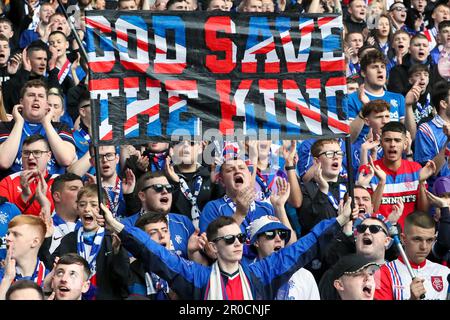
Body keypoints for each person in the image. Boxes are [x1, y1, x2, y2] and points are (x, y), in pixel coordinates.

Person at [100, 194, 353, 300]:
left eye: (240, 238)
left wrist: (339, 221)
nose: (237, 244)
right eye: (229, 239)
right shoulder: (196, 277)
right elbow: (152, 252)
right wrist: (119, 227)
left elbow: (301, 249)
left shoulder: (261, 275)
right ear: (212, 246)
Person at [39, 184, 130, 300]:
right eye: (82, 204)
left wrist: (118, 252)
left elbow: (123, 279)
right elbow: (50, 268)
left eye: (93, 205)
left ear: (104, 209)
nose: (87, 209)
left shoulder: (112, 238)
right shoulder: (69, 239)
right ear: (77, 208)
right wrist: (46, 239)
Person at [359, 121, 435, 228]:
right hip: (379, 234)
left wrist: (422, 182)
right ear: (381, 143)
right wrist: (381, 183)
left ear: (405, 144)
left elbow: (423, 211)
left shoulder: (416, 169)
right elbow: (370, 211)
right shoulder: (368, 170)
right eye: (387, 140)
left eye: (397, 140)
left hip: (408, 236)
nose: (392, 145)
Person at [0, 79, 76, 176]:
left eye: (41, 96)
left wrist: (47, 123)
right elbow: (4, 162)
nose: (36, 99)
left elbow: (66, 160)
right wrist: (19, 122)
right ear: (21, 102)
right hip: (14, 188)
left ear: (46, 104)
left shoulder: (61, 127)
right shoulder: (5, 127)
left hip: (51, 189)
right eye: (31, 95)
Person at [375, 211, 450, 300]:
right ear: (403, 239)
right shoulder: (384, 272)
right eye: (417, 239)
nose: (424, 247)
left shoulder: (444, 272)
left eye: (429, 240)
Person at [122, 171, 195, 258]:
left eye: (169, 188)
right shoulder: (126, 226)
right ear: (142, 196)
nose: (165, 191)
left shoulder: (184, 222)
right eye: (158, 188)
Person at [247, 215, 320, 300]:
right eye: (270, 234)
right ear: (256, 242)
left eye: (282, 234)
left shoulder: (304, 275)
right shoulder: (247, 276)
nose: (278, 239)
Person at [348, 50, 405, 144]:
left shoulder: (398, 98)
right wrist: (365, 109)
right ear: (363, 73)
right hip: (362, 155)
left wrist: (409, 106)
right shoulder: (351, 99)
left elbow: (406, 134)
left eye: (383, 67)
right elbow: (349, 139)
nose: (380, 70)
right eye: (374, 67)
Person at [0, 134, 58, 215]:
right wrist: (24, 196)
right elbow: (4, 219)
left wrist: (45, 205)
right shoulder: (7, 182)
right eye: (26, 153)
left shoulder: (59, 183)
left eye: (37, 152)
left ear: (48, 156)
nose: (30, 157)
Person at [0, 214, 50, 300]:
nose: (8, 238)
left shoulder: (49, 279)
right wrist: (7, 280)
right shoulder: (3, 276)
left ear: (34, 242)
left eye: (15, 234)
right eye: (8, 233)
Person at [414, 81, 450, 187]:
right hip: (441, 195)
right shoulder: (426, 130)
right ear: (443, 104)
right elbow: (430, 172)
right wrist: (448, 141)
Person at [45, 173, 83, 253]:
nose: (81, 193)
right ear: (57, 196)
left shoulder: (90, 226)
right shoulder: (44, 228)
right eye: (74, 189)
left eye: (82, 190)